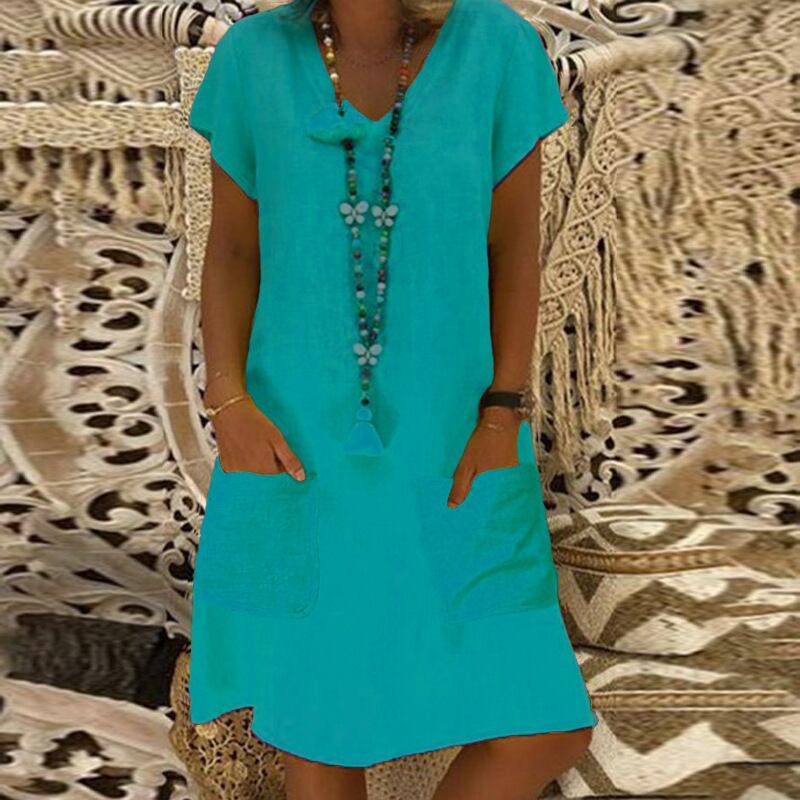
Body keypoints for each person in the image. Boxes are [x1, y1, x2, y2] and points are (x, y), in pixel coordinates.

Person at [186, 0, 597, 797]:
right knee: (319, 715)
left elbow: (514, 248)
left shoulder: (499, 47)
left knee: (544, 727)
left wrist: (503, 408)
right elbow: (232, 248)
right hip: (295, 443)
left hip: (460, 442)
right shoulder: (253, 56)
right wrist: (227, 401)